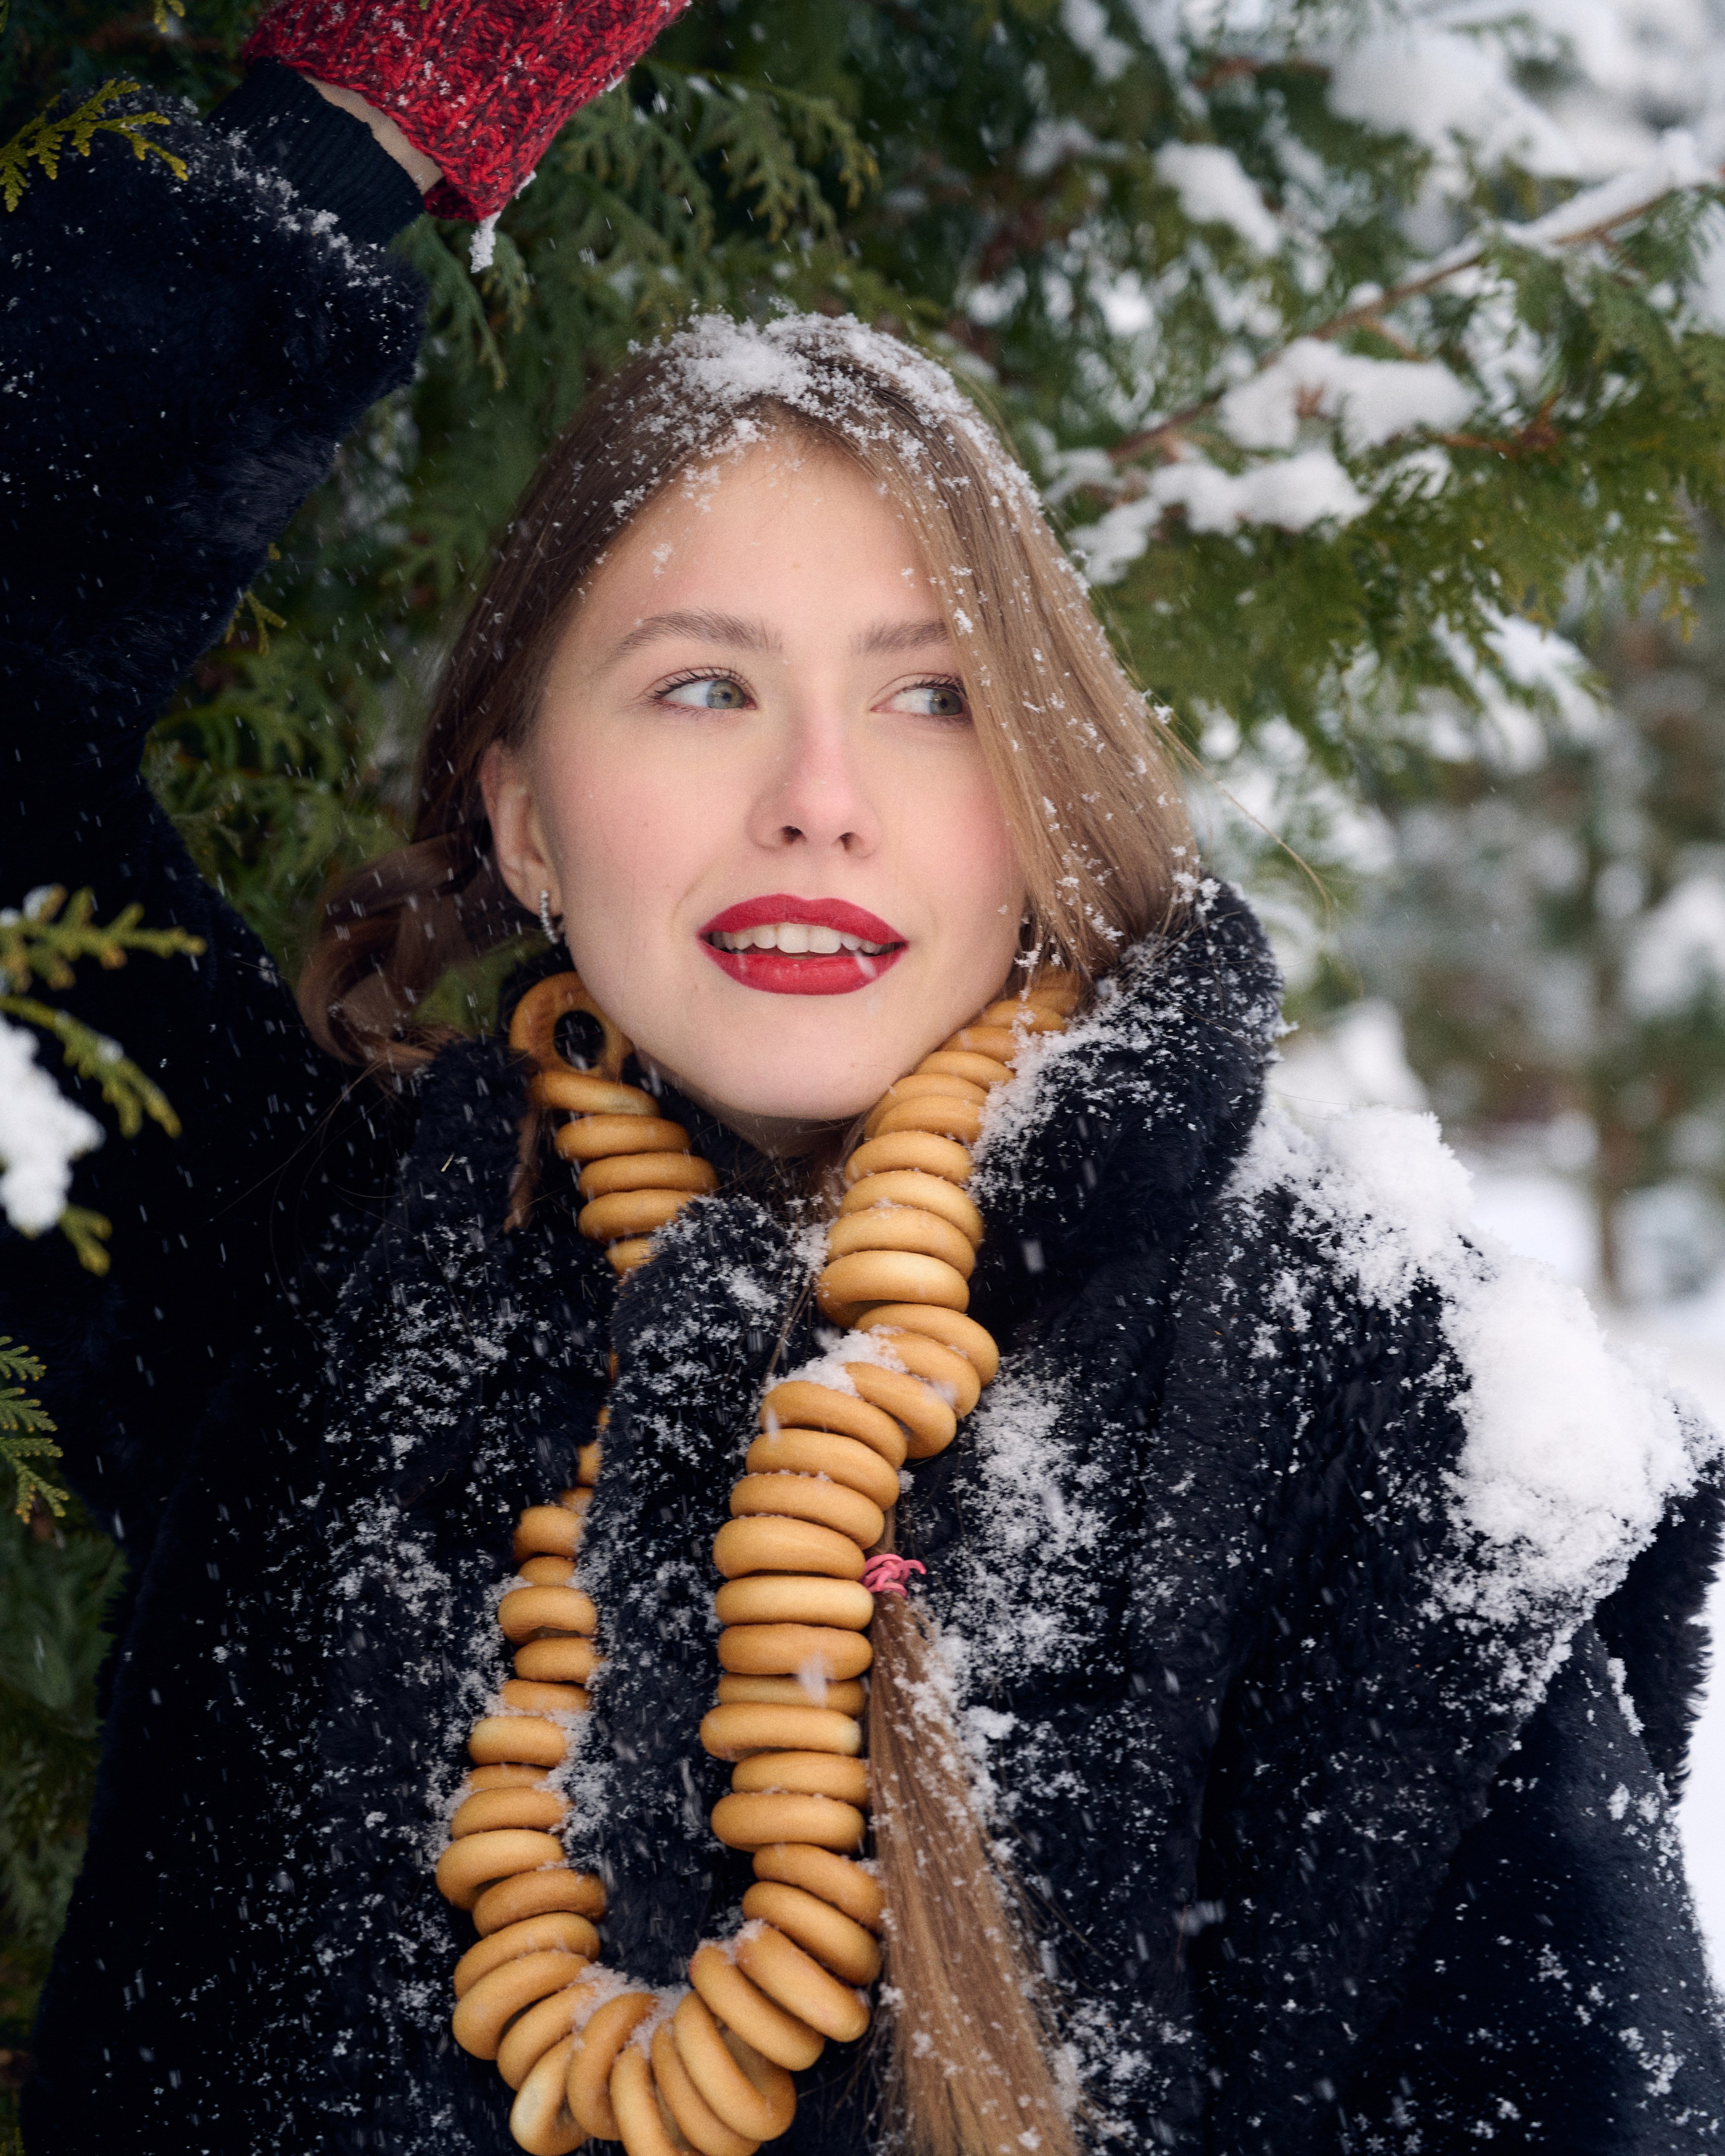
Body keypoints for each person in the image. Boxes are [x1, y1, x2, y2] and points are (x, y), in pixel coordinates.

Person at [5, 8, 1724, 2153]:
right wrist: (364, 122)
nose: (820, 799)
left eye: (929, 701)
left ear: (1046, 800)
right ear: (523, 818)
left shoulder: (1366, 1384)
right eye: (703, 684)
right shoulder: (299, 1267)